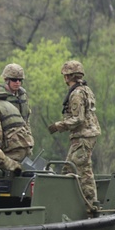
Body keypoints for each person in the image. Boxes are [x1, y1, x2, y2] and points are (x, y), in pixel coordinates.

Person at [48, 60, 101, 216]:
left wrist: (58, 126)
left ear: (67, 76)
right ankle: (69, 205)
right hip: (86, 135)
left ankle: (91, 207)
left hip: (83, 136)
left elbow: (78, 119)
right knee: (68, 169)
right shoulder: (85, 89)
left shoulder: (76, 93)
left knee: (83, 171)